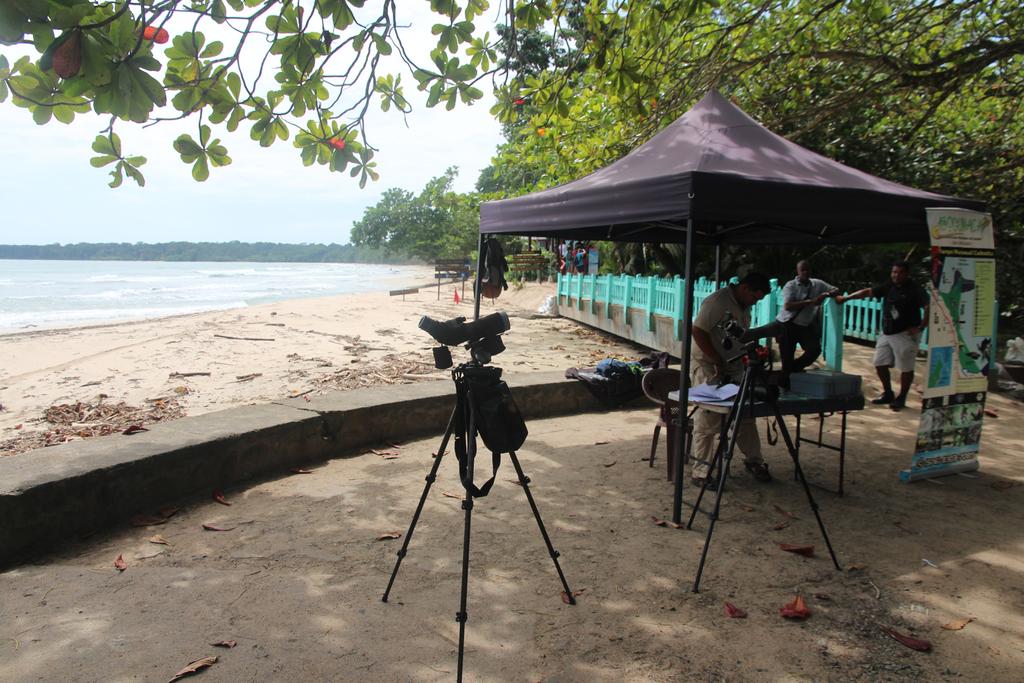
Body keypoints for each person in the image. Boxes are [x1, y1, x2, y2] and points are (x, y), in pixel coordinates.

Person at [690, 272, 774, 486]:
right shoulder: (717, 301)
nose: (755, 303)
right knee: (709, 416)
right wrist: (715, 358)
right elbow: (698, 331)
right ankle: (702, 471)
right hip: (708, 365)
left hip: (734, 365)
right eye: (755, 298)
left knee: (744, 414)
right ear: (744, 288)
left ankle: (754, 461)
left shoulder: (744, 305)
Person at [837, 260, 929, 411]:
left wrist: (920, 327)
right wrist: (846, 298)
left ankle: (902, 397)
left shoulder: (915, 289)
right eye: (894, 272)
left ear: (907, 274)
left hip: (905, 334)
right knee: (879, 362)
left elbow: (928, 306)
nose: (896, 275)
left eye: (900, 273)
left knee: (906, 367)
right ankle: (888, 393)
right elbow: (868, 292)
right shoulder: (889, 286)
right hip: (887, 332)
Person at [776, 260, 838, 374]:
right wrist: (812, 301)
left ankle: (794, 368)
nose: (805, 272)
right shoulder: (791, 285)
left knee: (814, 350)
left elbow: (835, 289)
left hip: (805, 325)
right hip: (788, 324)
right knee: (787, 355)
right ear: (798, 271)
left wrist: (825, 295)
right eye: (802, 270)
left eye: (807, 269)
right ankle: (786, 376)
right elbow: (788, 306)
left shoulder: (817, 284)